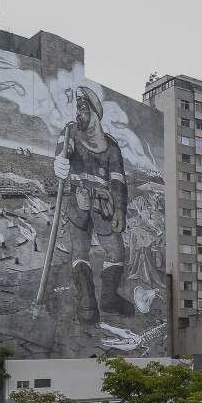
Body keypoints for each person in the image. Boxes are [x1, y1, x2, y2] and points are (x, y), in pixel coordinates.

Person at [53, 86, 134, 324]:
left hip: (102, 203)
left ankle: (108, 299)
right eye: (77, 109)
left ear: (94, 113)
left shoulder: (111, 146)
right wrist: (59, 162)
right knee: (80, 250)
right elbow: (63, 152)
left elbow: (118, 180)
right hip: (76, 199)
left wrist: (120, 209)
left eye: (82, 109)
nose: (78, 114)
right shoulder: (69, 132)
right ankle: (87, 306)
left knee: (116, 250)